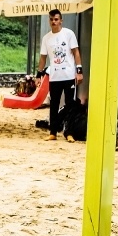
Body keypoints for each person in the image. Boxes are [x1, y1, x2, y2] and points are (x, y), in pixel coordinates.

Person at [37, 9, 83, 142]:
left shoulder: (69, 34)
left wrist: (79, 71)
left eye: (56, 19)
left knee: (70, 105)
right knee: (54, 104)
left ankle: (69, 132)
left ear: (61, 20)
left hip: (68, 75)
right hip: (55, 76)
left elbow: (76, 52)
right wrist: (38, 75)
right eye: (51, 19)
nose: (53, 22)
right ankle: (53, 132)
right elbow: (43, 58)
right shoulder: (46, 38)